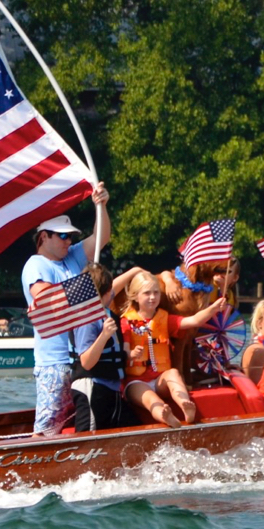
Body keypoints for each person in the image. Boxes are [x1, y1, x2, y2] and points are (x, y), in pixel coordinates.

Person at [23, 182, 111, 436]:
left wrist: (101, 205)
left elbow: (101, 238)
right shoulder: (35, 265)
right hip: (55, 361)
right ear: (43, 237)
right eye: (62, 236)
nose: (68, 240)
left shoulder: (72, 255)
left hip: (80, 358)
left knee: (75, 420)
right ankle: (35, 468)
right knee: (47, 427)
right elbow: (45, 299)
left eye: (70, 235)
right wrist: (91, 292)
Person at [120, 271, 227, 428]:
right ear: (135, 296)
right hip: (136, 381)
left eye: (156, 292)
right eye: (147, 293)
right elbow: (123, 353)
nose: (152, 297)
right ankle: (165, 415)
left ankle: (185, 404)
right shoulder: (125, 322)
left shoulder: (165, 319)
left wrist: (213, 308)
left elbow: (194, 320)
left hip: (160, 379)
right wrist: (132, 354)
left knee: (173, 373)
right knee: (151, 400)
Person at [71, 263, 144, 432]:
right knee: (86, 441)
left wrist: (129, 355)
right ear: (104, 294)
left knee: (135, 429)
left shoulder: (106, 313)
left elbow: (111, 352)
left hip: (111, 389)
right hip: (92, 388)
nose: (112, 293)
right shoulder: (86, 319)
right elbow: (86, 362)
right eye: (110, 290)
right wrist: (103, 335)